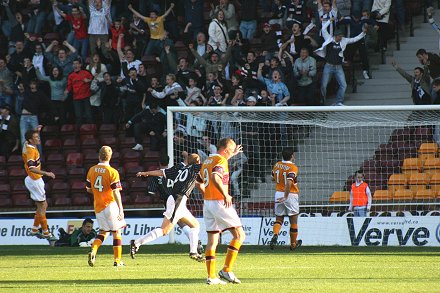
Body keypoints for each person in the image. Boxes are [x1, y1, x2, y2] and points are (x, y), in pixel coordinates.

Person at [131, 154, 206, 262]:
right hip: (178, 200)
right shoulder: (196, 168)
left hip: (176, 200)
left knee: (195, 225)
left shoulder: (180, 168)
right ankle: (137, 243)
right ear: (198, 161)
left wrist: (146, 173)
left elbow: (161, 172)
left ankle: (194, 251)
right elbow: (210, 165)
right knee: (164, 230)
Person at [200, 137, 245, 285]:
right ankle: (226, 270)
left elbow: (200, 180)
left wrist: (232, 154)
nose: (231, 154)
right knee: (239, 235)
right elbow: (215, 177)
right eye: (231, 152)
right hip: (220, 202)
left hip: (208, 203)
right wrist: (225, 194)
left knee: (212, 241)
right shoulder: (221, 161)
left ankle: (211, 277)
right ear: (225, 151)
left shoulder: (207, 161)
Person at [86, 146, 126, 267]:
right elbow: (116, 191)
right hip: (110, 204)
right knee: (116, 231)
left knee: (103, 231)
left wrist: (99, 194)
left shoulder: (92, 170)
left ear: (99, 156)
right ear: (110, 156)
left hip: (98, 205)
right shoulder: (112, 172)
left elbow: (88, 189)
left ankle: (93, 250)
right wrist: (121, 209)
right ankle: (117, 261)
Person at [315, 20, 367, 106]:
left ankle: (339, 101)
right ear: (335, 35)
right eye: (339, 36)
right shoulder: (329, 39)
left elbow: (354, 39)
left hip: (338, 67)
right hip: (328, 66)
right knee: (324, 85)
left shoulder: (344, 40)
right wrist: (329, 21)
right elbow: (323, 29)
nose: (341, 37)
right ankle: (322, 101)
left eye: (341, 36)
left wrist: (363, 33)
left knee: (344, 85)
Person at [22, 128, 56, 239]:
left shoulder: (27, 144)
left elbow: (27, 139)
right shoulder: (31, 152)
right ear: (31, 140)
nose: (38, 138)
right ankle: (46, 233)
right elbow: (32, 168)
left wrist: (35, 130)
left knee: (42, 205)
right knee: (42, 207)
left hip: (31, 179)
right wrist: (47, 173)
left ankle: (34, 229)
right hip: (35, 180)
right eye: (36, 137)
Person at [269, 148, 302, 251]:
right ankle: (293, 244)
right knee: (293, 220)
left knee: (279, 219)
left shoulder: (277, 165)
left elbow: (272, 178)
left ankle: (275, 234)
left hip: (278, 193)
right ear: (292, 156)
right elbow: (289, 182)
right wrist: (286, 196)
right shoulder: (293, 167)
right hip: (290, 195)